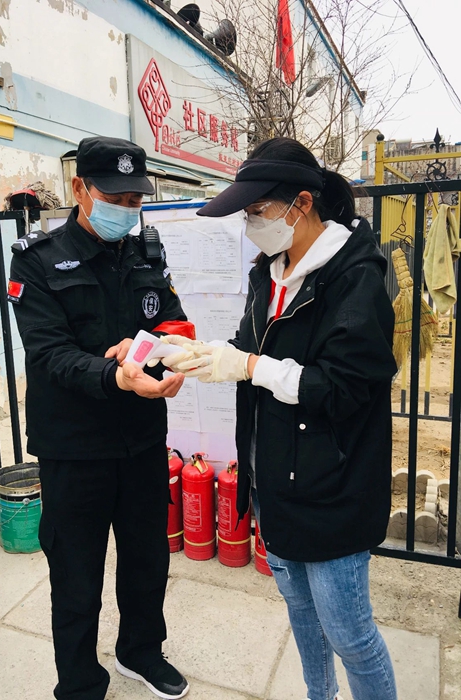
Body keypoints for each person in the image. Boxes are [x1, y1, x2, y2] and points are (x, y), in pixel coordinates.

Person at [162, 137, 398, 700]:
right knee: (301, 615)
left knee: (350, 634)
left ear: (302, 203)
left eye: (257, 211)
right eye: (245, 214)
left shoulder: (356, 276)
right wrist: (206, 356)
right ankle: (320, 695)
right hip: (273, 475)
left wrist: (248, 365)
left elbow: (340, 387)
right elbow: (252, 350)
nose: (251, 225)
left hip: (334, 485)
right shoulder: (268, 274)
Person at [8, 136, 191, 700]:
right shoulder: (37, 261)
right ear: (80, 189)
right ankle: (80, 682)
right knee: (76, 574)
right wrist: (115, 375)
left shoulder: (146, 254)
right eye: (115, 198)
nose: (127, 210)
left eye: (135, 200)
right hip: (74, 448)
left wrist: (172, 355)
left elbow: (173, 322)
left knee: (147, 560)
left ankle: (141, 650)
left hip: (141, 441)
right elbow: (48, 353)